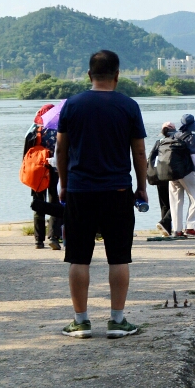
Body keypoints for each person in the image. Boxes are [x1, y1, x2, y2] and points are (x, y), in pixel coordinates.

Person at [57, 49, 148, 339]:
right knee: (118, 257)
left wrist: (63, 182)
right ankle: (117, 321)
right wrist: (142, 186)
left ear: (89, 75)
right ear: (117, 75)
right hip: (117, 189)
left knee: (78, 258)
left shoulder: (72, 105)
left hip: (79, 190)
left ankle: (81, 322)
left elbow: (60, 149)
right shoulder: (129, 106)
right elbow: (139, 151)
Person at [25, 104, 64, 250]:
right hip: (54, 170)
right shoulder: (59, 129)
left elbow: (27, 151)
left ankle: (38, 240)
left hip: (37, 170)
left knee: (38, 202)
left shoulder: (35, 129)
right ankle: (53, 236)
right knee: (55, 202)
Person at [167, 113, 195, 238]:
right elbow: (194, 156)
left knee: (176, 201)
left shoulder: (174, 135)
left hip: (172, 173)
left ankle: (177, 230)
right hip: (187, 172)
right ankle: (190, 227)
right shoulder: (190, 137)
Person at [148, 122, 176, 235]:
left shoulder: (159, 142)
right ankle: (164, 223)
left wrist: (152, 171)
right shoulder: (175, 142)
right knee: (176, 201)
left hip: (159, 174)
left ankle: (166, 229)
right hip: (172, 174)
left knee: (164, 203)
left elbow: (151, 157)